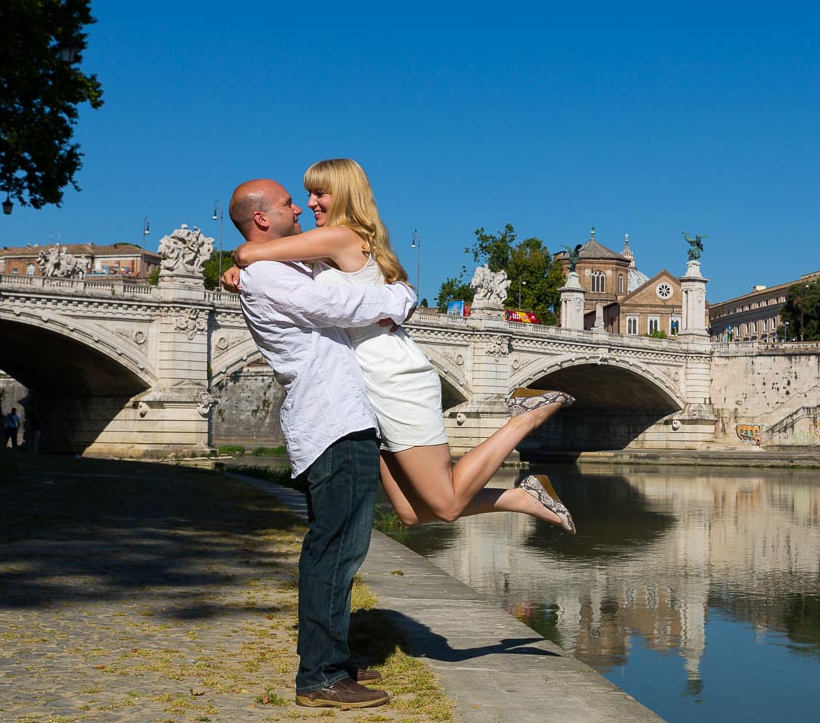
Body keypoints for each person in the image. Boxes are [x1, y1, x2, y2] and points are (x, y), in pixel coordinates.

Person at [226, 158, 576, 534]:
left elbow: (252, 253)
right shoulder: (328, 245)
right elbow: (287, 274)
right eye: (307, 194)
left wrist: (239, 261)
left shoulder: (341, 236)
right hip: (367, 391)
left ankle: (528, 416)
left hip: (393, 377)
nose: (309, 203)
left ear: (343, 194)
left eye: (319, 193)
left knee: (445, 503)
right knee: (411, 514)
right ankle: (524, 495)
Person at [229, 178, 416, 710]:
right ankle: (321, 677)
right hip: (334, 423)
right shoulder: (268, 272)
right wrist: (402, 295)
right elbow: (347, 305)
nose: (300, 207)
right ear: (263, 219)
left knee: (336, 547)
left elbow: (343, 289)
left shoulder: (279, 267)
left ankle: (329, 661)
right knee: (335, 550)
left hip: (340, 420)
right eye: (289, 202)